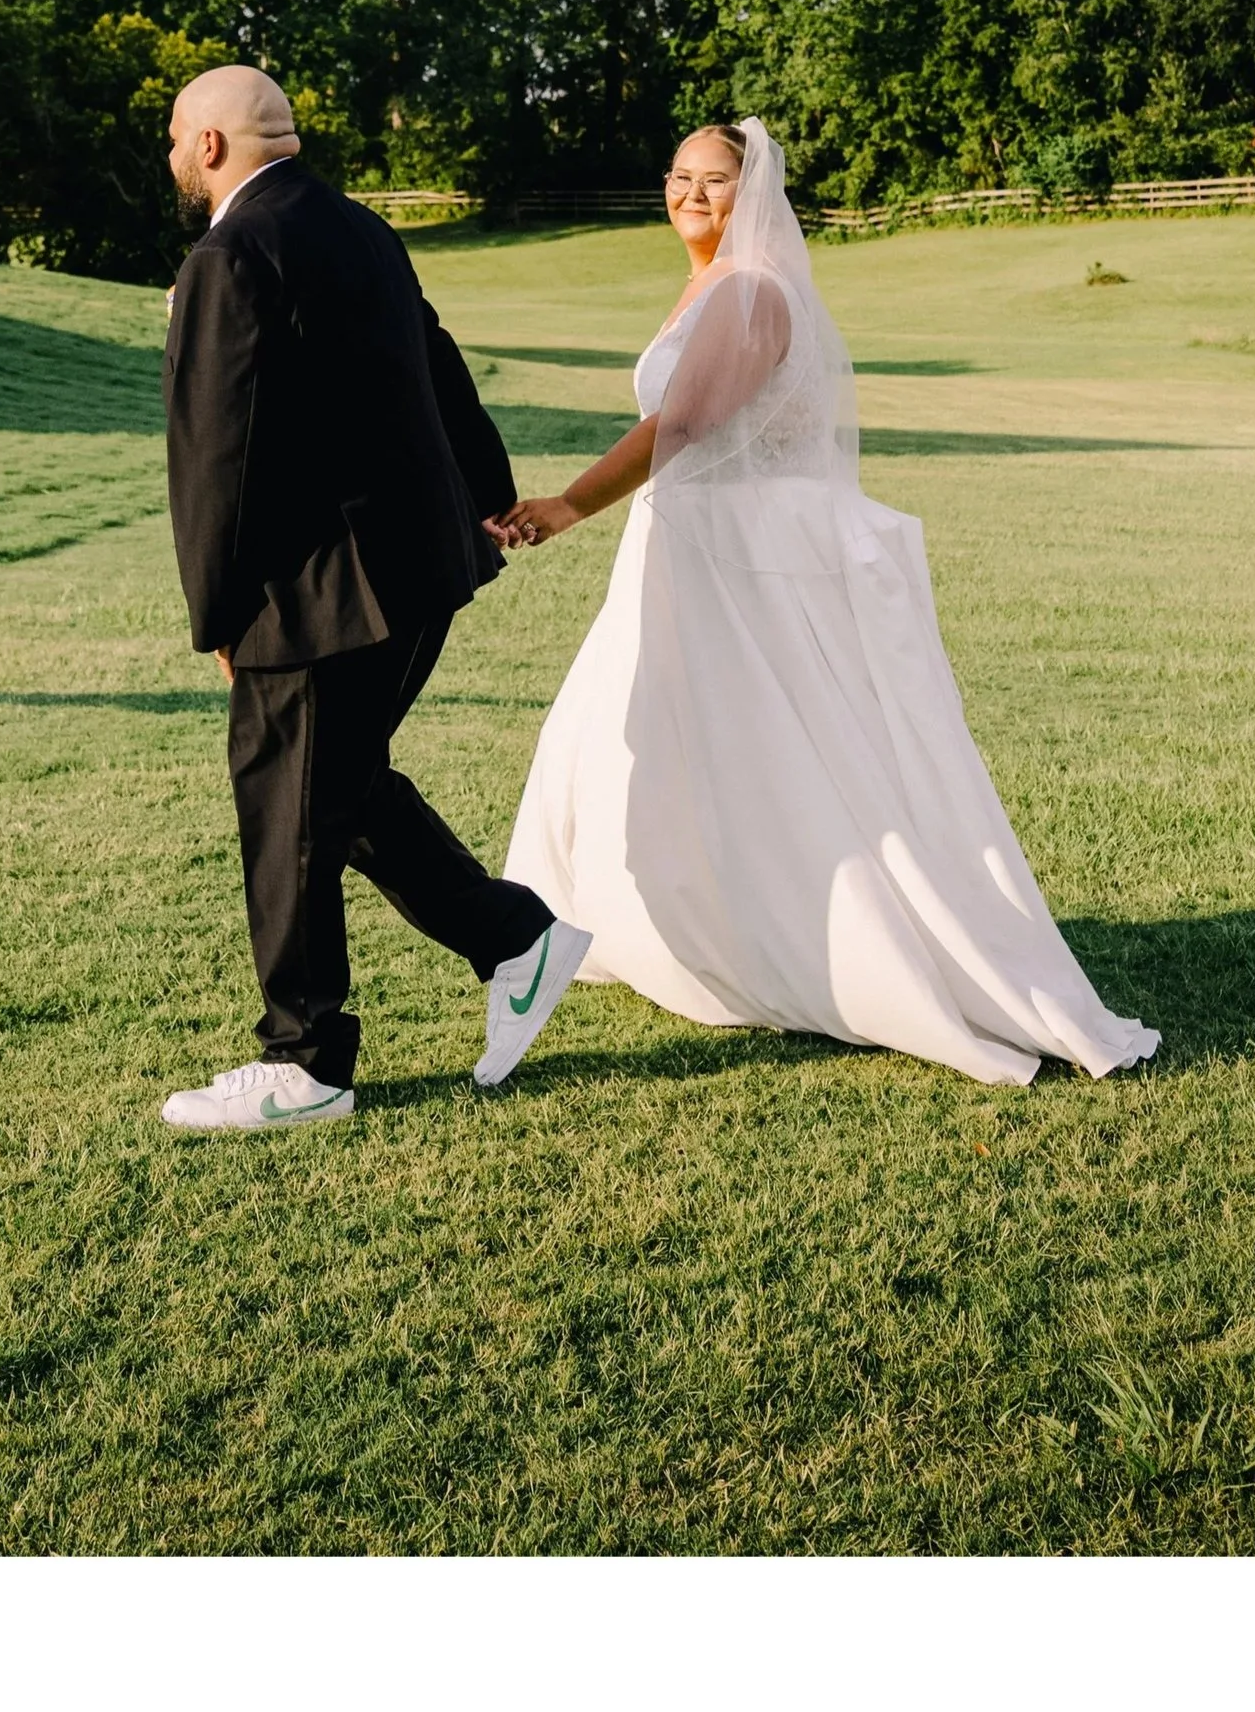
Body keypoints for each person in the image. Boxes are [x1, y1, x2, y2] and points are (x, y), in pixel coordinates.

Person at [494, 117, 1160, 1089]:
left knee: (771, 762)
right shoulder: (714, 283)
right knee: (644, 745)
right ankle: (664, 925)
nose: (689, 194)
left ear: (753, 188)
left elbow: (681, 424)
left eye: (713, 179)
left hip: (733, 564)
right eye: (677, 176)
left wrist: (566, 505)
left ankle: (830, 947)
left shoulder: (752, 291)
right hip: (689, 554)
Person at [155, 66, 592, 1133]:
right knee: (333, 790)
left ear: (210, 146)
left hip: (314, 593)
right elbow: (441, 368)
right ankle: (514, 939)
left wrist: (215, 612)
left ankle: (304, 1065)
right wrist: (482, 500)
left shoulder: (231, 252)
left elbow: (217, 454)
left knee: (286, 808)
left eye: (174, 137)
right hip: (420, 569)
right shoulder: (360, 229)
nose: (170, 155)